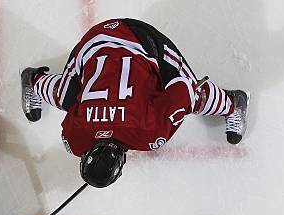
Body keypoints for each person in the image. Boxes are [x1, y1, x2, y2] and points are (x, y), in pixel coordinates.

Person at [21, 18, 249, 188]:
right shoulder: (73, 140)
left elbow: (184, 92)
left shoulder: (149, 133)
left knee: (194, 95)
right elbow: (80, 112)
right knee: (66, 97)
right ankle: (33, 80)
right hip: (95, 40)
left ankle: (234, 102)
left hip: (141, 41)